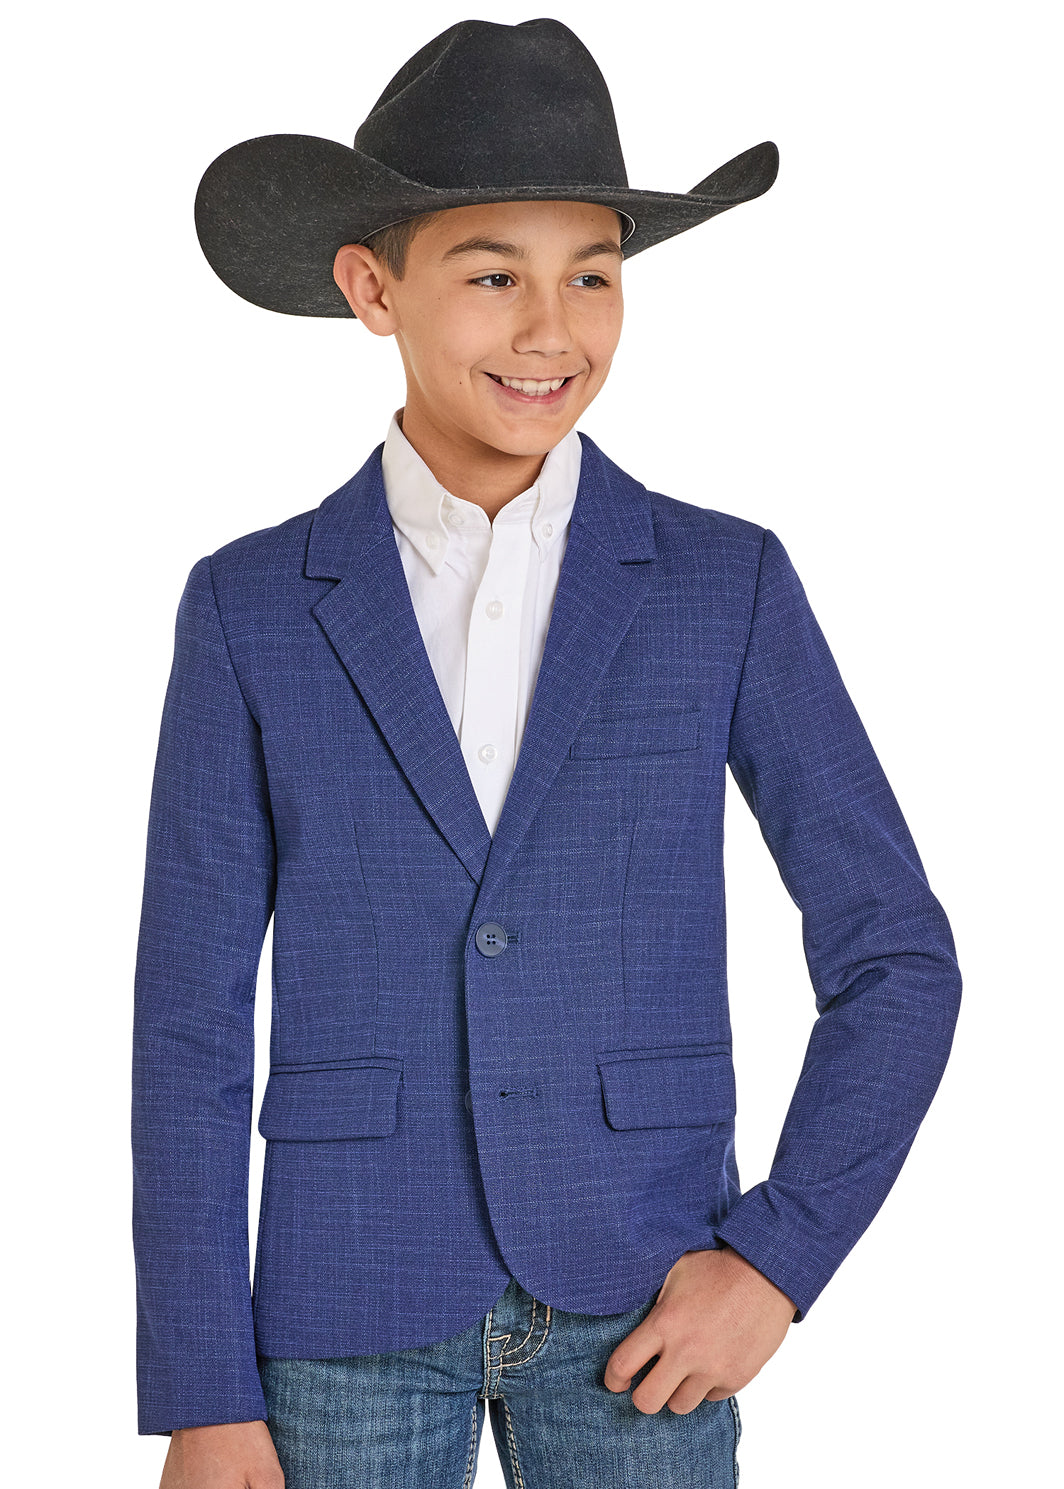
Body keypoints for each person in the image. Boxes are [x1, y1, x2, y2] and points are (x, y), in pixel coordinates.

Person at [132, 17, 962, 1488]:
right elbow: (189, 1021)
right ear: (371, 288)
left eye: (592, 273)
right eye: (492, 274)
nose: (551, 330)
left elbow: (897, 954)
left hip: (646, 1296)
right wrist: (201, 1382)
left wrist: (779, 1260)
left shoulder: (723, 584)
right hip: (348, 1299)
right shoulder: (249, 607)